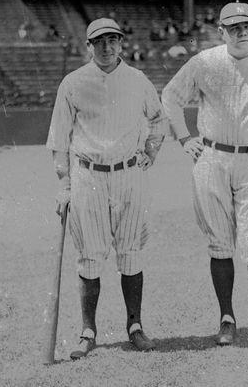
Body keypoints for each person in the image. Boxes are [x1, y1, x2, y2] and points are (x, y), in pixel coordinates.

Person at [162, 1, 248, 352]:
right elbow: (170, 97)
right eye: (234, 28)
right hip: (212, 157)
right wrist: (184, 136)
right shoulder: (204, 62)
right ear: (221, 32)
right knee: (220, 244)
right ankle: (227, 318)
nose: (242, 33)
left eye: (247, 26)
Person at [46, 18, 166, 360]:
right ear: (89, 46)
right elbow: (60, 138)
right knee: (89, 258)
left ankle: (135, 326)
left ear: (121, 43)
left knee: (130, 253)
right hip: (88, 177)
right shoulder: (73, 83)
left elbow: (158, 119)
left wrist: (151, 151)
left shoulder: (137, 79)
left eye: (113, 40)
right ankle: (88, 331)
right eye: (100, 41)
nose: (107, 46)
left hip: (129, 174)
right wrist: (63, 183)